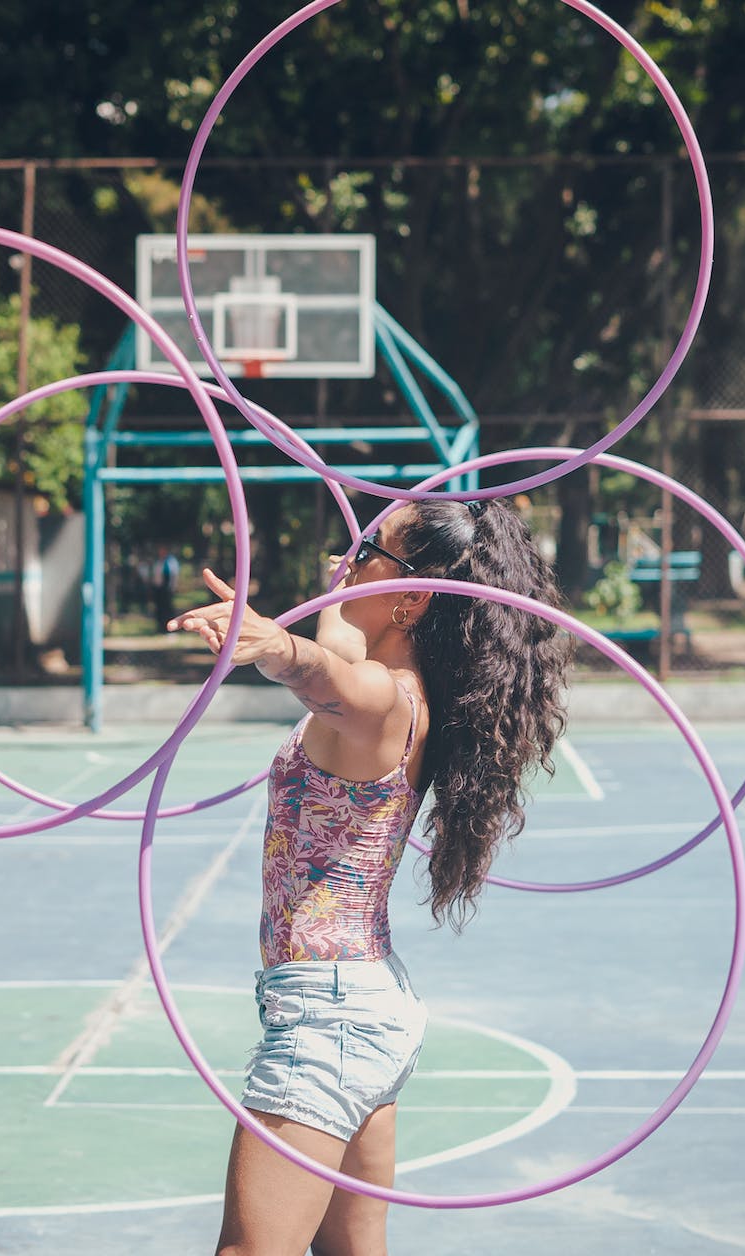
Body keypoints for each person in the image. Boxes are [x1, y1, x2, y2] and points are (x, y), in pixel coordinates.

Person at [168, 497, 571, 1256]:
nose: (343, 563)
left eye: (366, 553)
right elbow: (340, 664)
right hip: (361, 1002)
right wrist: (328, 612)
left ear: (414, 597)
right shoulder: (399, 690)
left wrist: (275, 647)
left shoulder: (386, 702)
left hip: (330, 1014)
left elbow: (327, 676)